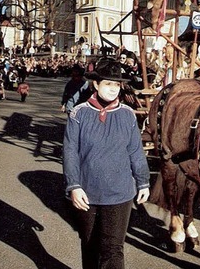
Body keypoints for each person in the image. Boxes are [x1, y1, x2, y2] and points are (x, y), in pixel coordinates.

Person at [63, 58, 150, 269]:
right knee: (90, 244)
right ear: (96, 84)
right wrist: (73, 186)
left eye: (117, 84)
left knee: (113, 248)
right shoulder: (79, 114)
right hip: (87, 192)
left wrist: (143, 181)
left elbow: (135, 152)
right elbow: (70, 152)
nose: (113, 89)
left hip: (120, 193)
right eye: (108, 83)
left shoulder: (127, 115)